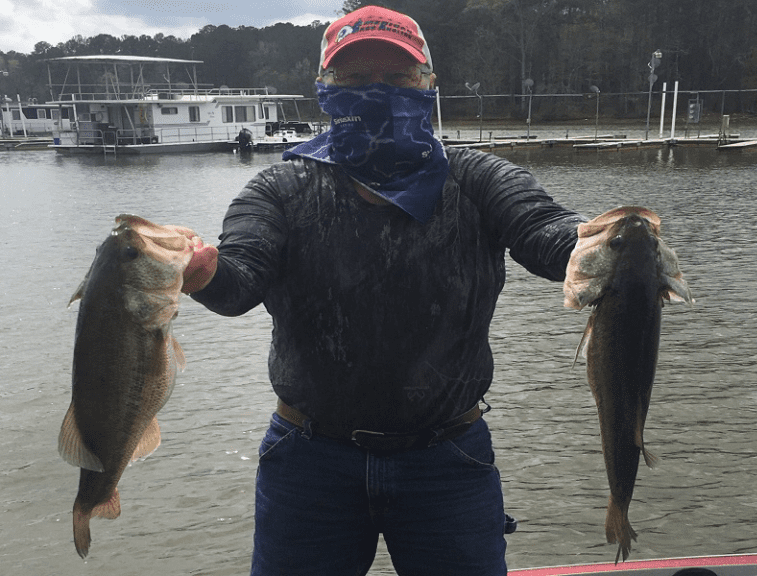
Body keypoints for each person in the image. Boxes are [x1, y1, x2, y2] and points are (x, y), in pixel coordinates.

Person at [176, 5, 587, 575]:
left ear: (429, 84)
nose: (379, 91)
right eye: (355, 79)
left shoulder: (478, 179)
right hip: (309, 460)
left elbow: (544, 233)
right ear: (324, 89)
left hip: (446, 457)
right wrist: (202, 272)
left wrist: (604, 244)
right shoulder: (280, 188)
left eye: (397, 78)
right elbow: (239, 281)